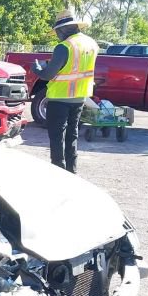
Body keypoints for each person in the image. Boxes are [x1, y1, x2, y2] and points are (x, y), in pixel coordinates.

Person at [31, 9, 99, 173]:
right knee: (72, 135)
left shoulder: (65, 46)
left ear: (62, 29)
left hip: (60, 98)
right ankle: (71, 171)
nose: (57, 35)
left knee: (56, 137)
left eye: (57, 32)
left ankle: (58, 172)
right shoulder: (91, 44)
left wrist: (37, 69)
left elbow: (48, 75)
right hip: (79, 98)